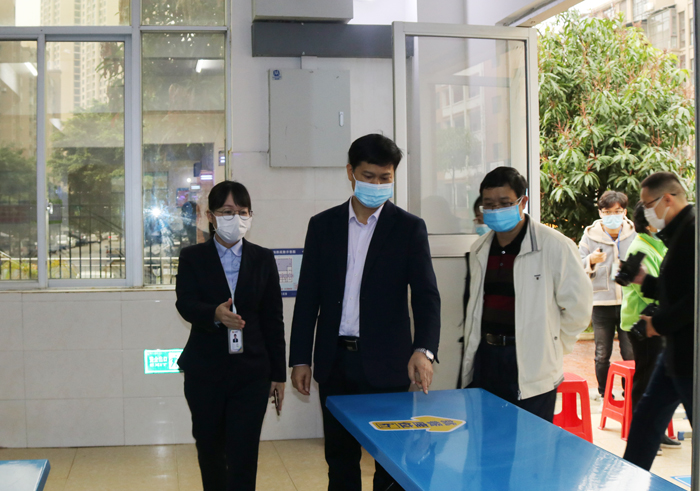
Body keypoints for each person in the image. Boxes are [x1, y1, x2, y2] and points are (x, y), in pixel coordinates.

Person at [289, 134, 441, 491]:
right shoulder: (322, 226)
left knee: (390, 460)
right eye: (368, 176)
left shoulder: (408, 228)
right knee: (339, 459)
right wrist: (300, 358)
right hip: (335, 362)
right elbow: (308, 297)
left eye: (385, 178)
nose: (376, 185)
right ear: (350, 172)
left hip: (387, 364)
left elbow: (426, 296)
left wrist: (424, 350)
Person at [175, 180, 286, 491]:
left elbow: (273, 319)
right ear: (210, 216)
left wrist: (279, 374)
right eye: (227, 212)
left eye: (242, 211)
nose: (235, 218)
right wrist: (214, 313)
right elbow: (185, 303)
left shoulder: (263, 258)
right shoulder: (192, 257)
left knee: (244, 452)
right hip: (205, 372)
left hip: (252, 373)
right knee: (210, 449)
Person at [460, 167, 592, 422]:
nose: (496, 210)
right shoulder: (480, 249)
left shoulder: (554, 245)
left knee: (531, 440)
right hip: (487, 359)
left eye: (505, 203)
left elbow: (579, 308)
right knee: (487, 436)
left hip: (532, 363)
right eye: (489, 205)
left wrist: (551, 345)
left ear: (523, 202)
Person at [623, 172, 695, 471]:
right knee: (645, 421)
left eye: (648, 204)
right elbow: (675, 288)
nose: (645, 212)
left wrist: (658, 325)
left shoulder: (692, 232)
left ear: (668, 199)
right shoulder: (676, 233)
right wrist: (644, 280)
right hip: (675, 352)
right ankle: (628, 477)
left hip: (692, 354)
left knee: (648, 420)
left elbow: (694, 301)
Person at [620, 202, 680, 451]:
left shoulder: (658, 244)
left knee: (658, 380)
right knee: (645, 381)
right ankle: (642, 435)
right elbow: (646, 288)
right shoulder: (641, 247)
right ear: (647, 224)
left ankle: (656, 432)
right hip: (643, 322)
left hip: (658, 321)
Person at [578, 191, 636, 399]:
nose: (613, 216)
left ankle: (629, 393)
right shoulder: (590, 235)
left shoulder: (634, 233)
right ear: (600, 213)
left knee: (630, 352)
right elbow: (577, 264)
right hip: (601, 303)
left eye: (617, 211)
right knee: (602, 353)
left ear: (624, 212)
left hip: (629, 302)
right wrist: (591, 260)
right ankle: (605, 394)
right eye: (608, 212)